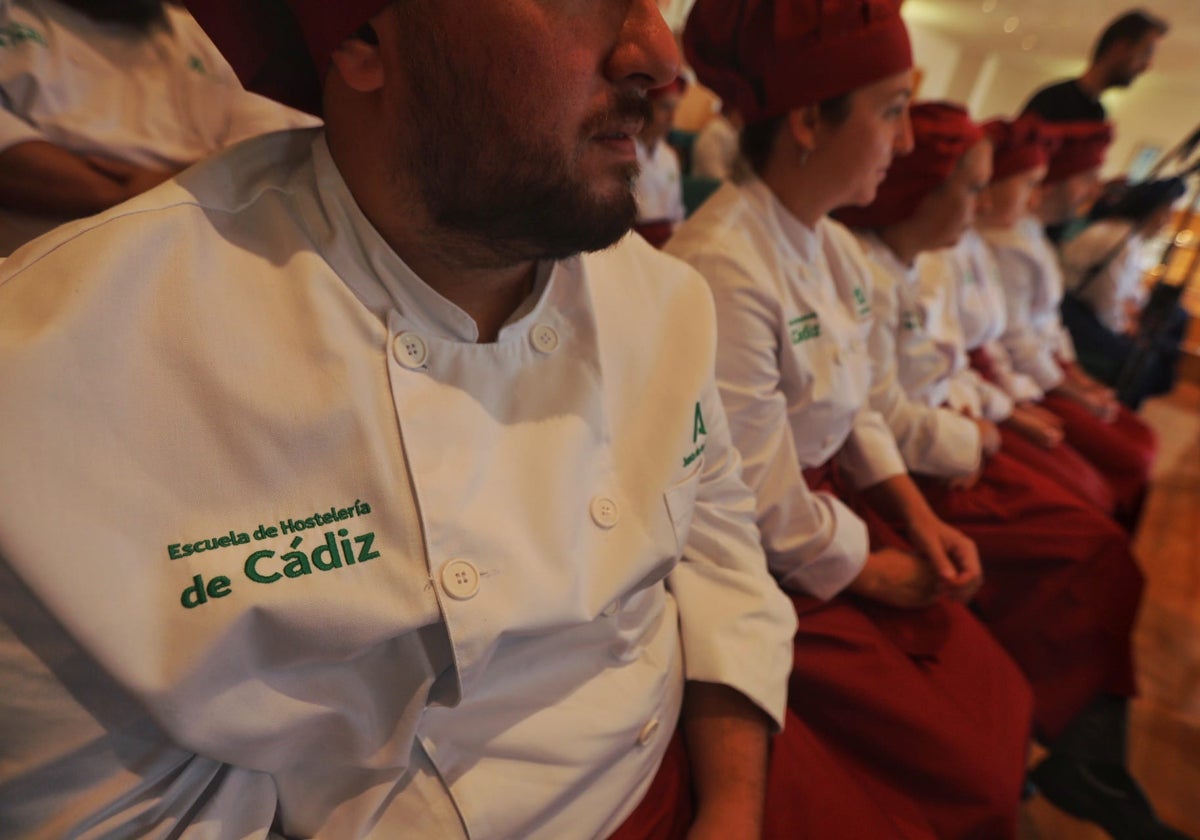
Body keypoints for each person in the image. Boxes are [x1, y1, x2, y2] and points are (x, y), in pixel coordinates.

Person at [0, 0, 829, 836]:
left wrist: (731, 806)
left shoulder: (667, 298)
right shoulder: (60, 375)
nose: (656, 52)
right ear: (364, 37)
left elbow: (725, 557)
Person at [668, 6, 1034, 836]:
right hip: (770, 561)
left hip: (833, 516)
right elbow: (756, 498)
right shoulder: (721, 266)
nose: (905, 146)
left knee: (994, 689)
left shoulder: (828, 245)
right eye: (892, 111)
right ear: (806, 120)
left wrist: (917, 513)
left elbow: (863, 400)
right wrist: (870, 569)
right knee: (960, 764)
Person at [837, 101, 1186, 840]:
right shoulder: (861, 267)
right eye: (974, 186)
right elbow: (869, 414)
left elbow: (946, 365)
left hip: (935, 447)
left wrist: (989, 418)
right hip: (908, 471)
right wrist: (980, 435)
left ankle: (1084, 752)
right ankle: (1077, 751)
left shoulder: (901, 263)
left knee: (1095, 525)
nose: (999, 201)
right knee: (1085, 545)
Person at [0, 0, 318, 256]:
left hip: (212, 254)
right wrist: (139, 194)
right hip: (46, 270)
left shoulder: (205, 34)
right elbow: (13, 163)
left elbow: (274, 160)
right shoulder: (12, 16)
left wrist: (146, 192)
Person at [978, 116, 1158, 530]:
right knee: (1120, 468)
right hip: (1025, 383)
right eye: (1086, 179)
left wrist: (1076, 376)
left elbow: (1048, 327)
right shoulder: (1001, 243)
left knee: (1142, 442)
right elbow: (1014, 343)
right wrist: (1071, 391)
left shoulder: (1029, 233)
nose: (1094, 191)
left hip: (1038, 376)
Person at [1060, 176, 1189, 406]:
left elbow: (1131, 294)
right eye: (1165, 213)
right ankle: (1117, 406)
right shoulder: (1119, 239)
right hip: (1073, 314)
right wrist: (1123, 325)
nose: (1167, 222)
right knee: (1142, 362)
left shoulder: (1129, 239)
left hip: (1089, 311)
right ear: (1151, 210)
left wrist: (1130, 314)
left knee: (1163, 336)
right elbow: (1104, 303)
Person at [1022, 8, 1168, 124]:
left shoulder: (1098, 114)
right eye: (1145, 53)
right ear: (1120, 48)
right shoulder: (1052, 100)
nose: (1147, 65)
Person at [632, 76, 686, 248]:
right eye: (664, 107)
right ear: (645, 107)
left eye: (674, 109)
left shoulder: (669, 156)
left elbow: (677, 213)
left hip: (668, 242)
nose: (671, 118)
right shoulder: (626, 153)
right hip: (633, 242)